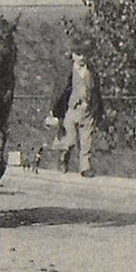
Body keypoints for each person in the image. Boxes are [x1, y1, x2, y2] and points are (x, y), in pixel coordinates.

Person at [47, 48, 104, 177]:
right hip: (71, 110)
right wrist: (53, 110)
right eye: (78, 55)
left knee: (86, 141)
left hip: (87, 110)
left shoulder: (91, 71)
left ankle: (85, 168)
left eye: (84, 54)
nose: (82, 57)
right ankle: (63, 159)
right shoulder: (67, 71)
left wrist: (99, 111)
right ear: (72, 55)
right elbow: (58, 91)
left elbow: (96, 93)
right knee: (70, 139)